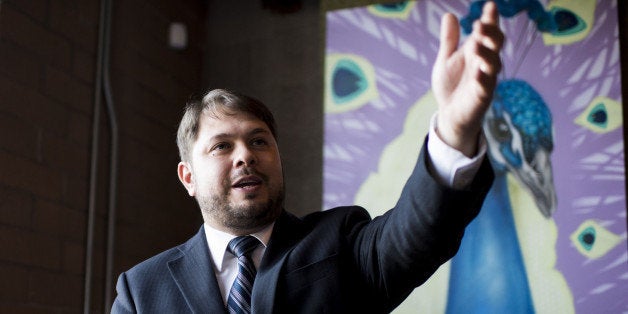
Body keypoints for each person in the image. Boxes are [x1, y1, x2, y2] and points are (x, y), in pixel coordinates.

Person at [112, 2, 504, 313]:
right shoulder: (142, 290)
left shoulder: (341, 242)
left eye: (260, 141)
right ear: (188, 177)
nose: (246, 155)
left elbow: (415, 234)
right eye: (222, 146)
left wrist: (454, 130)